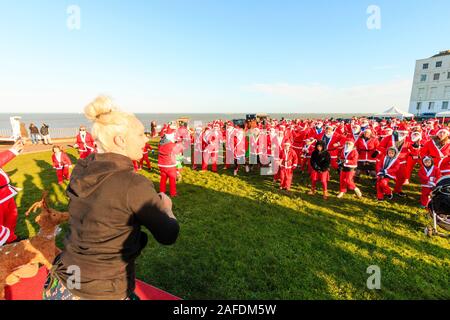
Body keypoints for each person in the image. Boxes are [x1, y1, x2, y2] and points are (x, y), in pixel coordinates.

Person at [44, 96, 179, 300]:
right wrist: (167, 208)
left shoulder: (81, 169)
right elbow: (168, 234)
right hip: (102, 289)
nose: (146, 139)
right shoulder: (134, 184)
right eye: (141, 134)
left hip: (65, 281)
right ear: (120, 140)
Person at [0, 140, 24, 245]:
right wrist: (12, 151)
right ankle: (4, 242)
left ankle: (11, 238)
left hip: (6, 192)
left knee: (11, 216)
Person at [158, 128, 183, 197]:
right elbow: (178, 156)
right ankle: (173, 193)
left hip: (162, 165)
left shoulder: (160, 143)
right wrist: (179, 167)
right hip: (170, 165)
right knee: (172, 179)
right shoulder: (172, 145)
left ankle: (162, 192)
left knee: (163, 179)